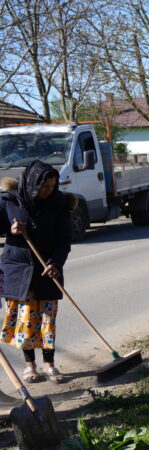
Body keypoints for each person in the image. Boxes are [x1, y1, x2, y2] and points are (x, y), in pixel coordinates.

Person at [0, 160, 72, 383]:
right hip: (18, 270)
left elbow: (64, 240)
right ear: (32, 182)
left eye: (51, 186)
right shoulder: (10, 201)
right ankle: (30, 367)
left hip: (46, 270)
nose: (47, 191)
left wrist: (55, 263)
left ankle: (49, 365)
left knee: (47, 320)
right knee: (26, 321)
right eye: (43, 186)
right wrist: (9, 229)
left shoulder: (59, 205)